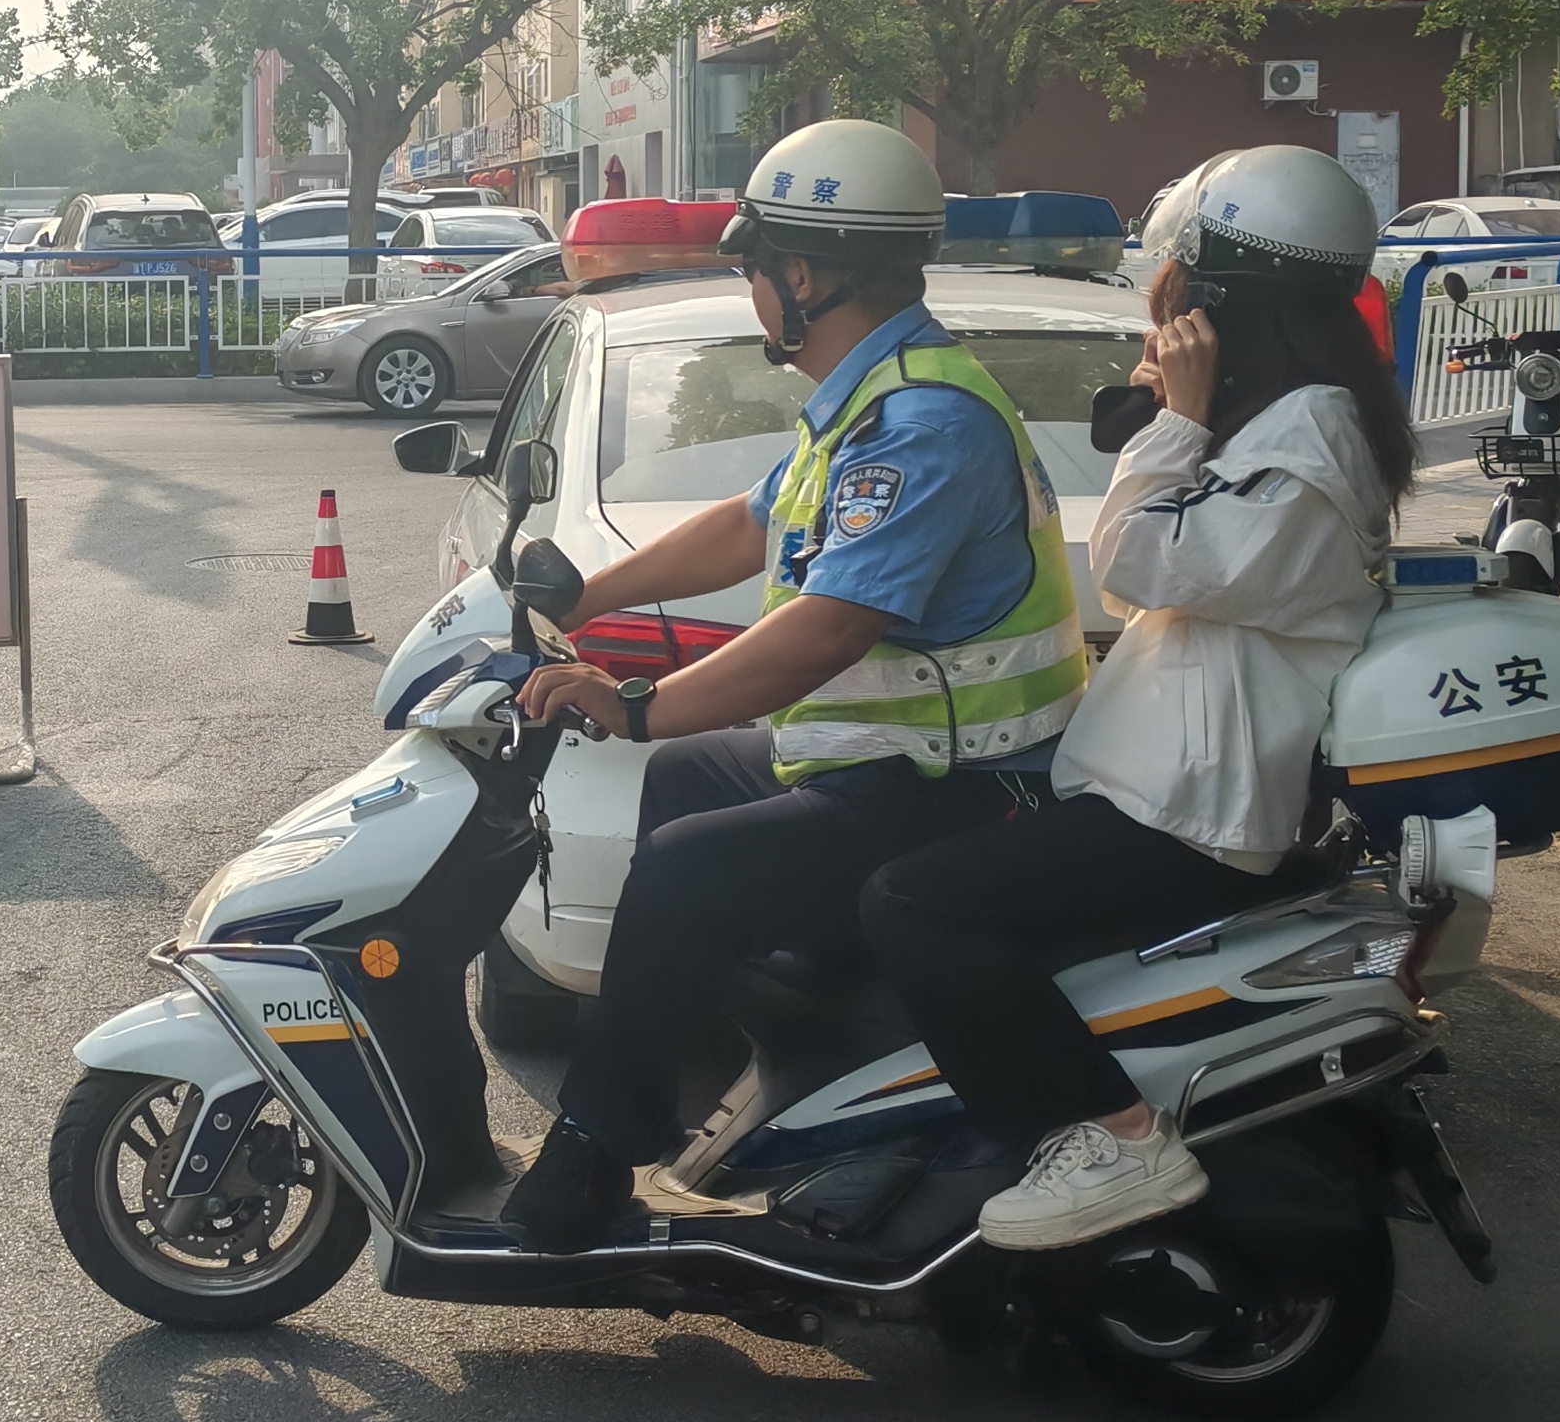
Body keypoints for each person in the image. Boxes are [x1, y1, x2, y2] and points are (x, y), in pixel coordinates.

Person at [495, 119, 1091, 1253]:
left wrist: (637, 705)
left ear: (804, 278)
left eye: (755, 268)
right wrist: (582, 598)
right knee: (686, 780)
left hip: (965, 783)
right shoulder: (871, 398)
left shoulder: (922, 424)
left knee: (684, 866)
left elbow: (824, 631)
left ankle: (596, 1151)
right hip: (892, 762)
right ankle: (822, 1037)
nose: (752, 290)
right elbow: (746, 524)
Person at [854, 143, 1408, 1252]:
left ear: (1222, 300)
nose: (1159, 302)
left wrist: (1179, 422)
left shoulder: (1306, 438)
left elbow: (1136, 561)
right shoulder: (1286, 416)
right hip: (1162, 786)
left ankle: (1112, 1138)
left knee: (914, 904)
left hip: (1196, 813)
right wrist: (1179, 414)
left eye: (1176, 285)